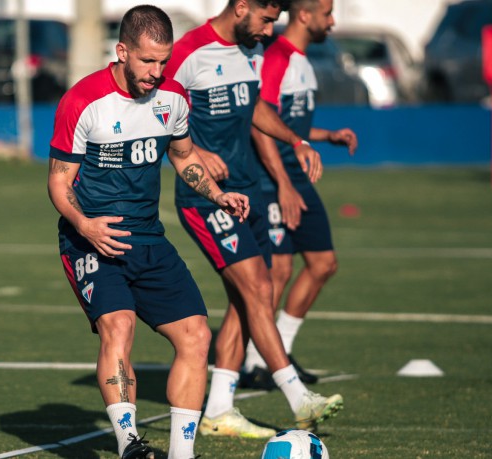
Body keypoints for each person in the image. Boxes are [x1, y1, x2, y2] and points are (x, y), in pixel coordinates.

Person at [47, 6, 250, 459]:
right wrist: (84, 224)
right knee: (118, 327)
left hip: (149, 239)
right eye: (147, 61)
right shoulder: (83, 101)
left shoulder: (174, 98)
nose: (157, 72)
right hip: (91, 239)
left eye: (164, 61)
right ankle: (130, 446)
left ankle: (181, 454)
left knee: (197, 335)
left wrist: (217, 194)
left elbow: (182, 156)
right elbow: (59, 181)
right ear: (121, 51)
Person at [163, 0, 343, 438]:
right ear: (241, 7)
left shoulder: (250, 51)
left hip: (248, 193)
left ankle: (220, 409)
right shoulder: (189, 51)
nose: (268, 31)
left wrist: (296, 139)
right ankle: (299, 397)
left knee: (247, 299)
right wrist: (196, 153)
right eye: (265, 19)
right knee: (260, 287)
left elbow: (256, 108)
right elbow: (156, 108)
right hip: (205, 198)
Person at [242, 0, 358, 388]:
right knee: (278, 271)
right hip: (274, 180)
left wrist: (327, 136)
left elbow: (287, 123)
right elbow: (260, 126)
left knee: (323, 263)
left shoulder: (303, 61)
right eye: (327, 12)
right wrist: (284, 185)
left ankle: (279, 352)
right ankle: (257, 362)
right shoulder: (276, 58)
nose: (333, 20)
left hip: (295, 177)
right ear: (305, 15)